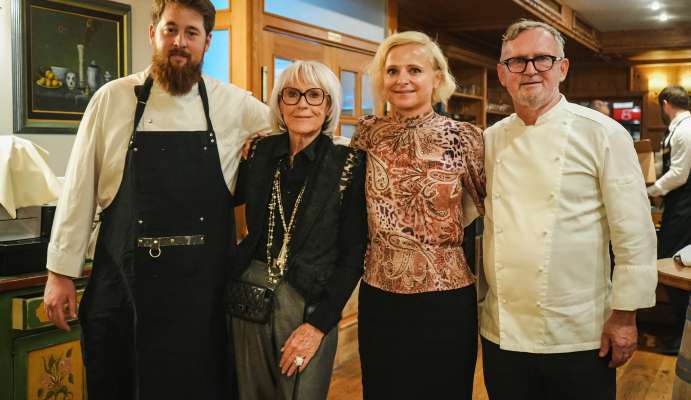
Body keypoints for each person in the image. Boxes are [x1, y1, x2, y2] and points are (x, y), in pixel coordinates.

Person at [42, 1, 270, 399]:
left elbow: (299, 131)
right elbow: (79, 189)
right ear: (153, 34)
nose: (179, 42)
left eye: (191, 33)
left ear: (207, 42)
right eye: (170, 30)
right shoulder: (111, 99)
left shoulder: (235, 104)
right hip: (125, 288)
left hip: (204, 298)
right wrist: (60, 272)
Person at [480, 20, 657, 399]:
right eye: (517, 62)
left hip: (580, 333)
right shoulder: (490, 140)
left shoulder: (603, 133)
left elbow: (634, 235)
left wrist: (625, 316)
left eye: (542, 59)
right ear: (502, 74)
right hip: (503, 332)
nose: (529, 70)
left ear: (562, 67)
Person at [351, 31, 485, 399]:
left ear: (437, 79)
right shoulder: (367, 133)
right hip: (380, 295)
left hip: (446, 297)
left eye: (415, 69)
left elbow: (495, 209)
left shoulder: (465, 137)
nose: (402, 79)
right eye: (392, 71)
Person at [225, 60, 367, 400]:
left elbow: (353, 255)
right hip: (248, 299)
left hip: (309, 305)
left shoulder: (347, 163)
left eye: (315, 95)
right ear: (279, 103)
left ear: (329, 105)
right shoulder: (259, 152)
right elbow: (220, 198)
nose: (302, 103)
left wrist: (319, 325)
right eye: (292, 94)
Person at [647, 85, 691, 353]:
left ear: (665, 103)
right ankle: (684, 331)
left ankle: (686, 335)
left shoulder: (687, 131)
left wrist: (650, 191)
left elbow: (679, 174)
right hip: (682, 201)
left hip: (690, 201)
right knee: (676, 258)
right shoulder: (679, 130)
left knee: (675, 259)